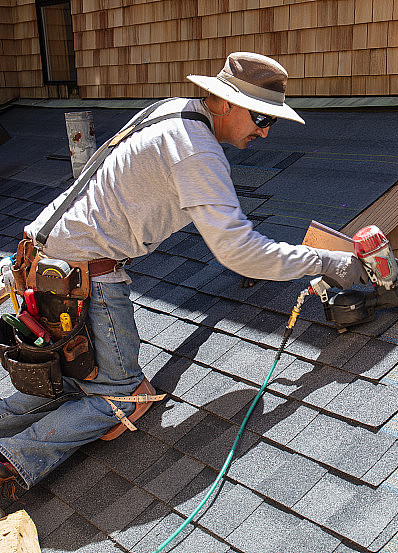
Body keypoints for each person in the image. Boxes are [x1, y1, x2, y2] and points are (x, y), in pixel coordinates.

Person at [0, 52, 368, 492]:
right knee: (124, 395)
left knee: (67, 380)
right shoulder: (197, 152)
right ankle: (12, 460)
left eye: (273, 121)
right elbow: (238, 251)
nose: (264, 131)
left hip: (40, 261)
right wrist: (327, 261)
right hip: (83, 275)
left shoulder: (172, 110)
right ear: (224, 102)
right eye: (259, 117)